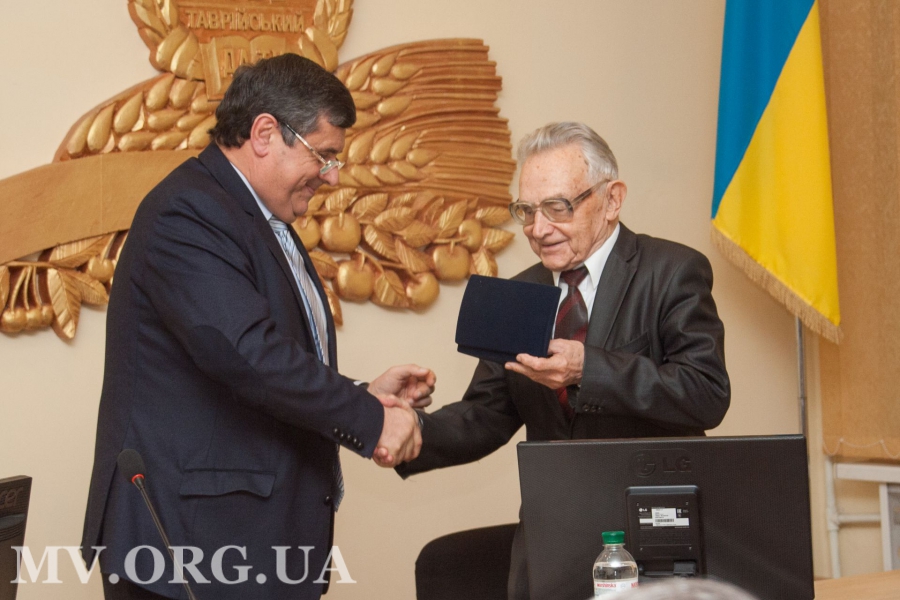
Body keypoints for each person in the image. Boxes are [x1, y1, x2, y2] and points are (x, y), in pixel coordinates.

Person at [81, 54, 434, 600]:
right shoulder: (188, 212)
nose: (333, 175)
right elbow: (247, 355)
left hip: (241, 545)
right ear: (265, 133)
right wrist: (369, 420)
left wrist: (363, 393)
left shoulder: (256, 216)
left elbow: (265, 362)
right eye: (324, 155)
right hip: (188, 546)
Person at [396, 122, 730, 598]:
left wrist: (587, 370)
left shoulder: (672, 271)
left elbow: (706, 393)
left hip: (652, 538)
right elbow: (485, 415)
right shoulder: (519, 293)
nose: (538, 229)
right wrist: (404, 429)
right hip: (552, 543)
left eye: (558, 207)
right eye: (527, 211)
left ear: (612, 200)